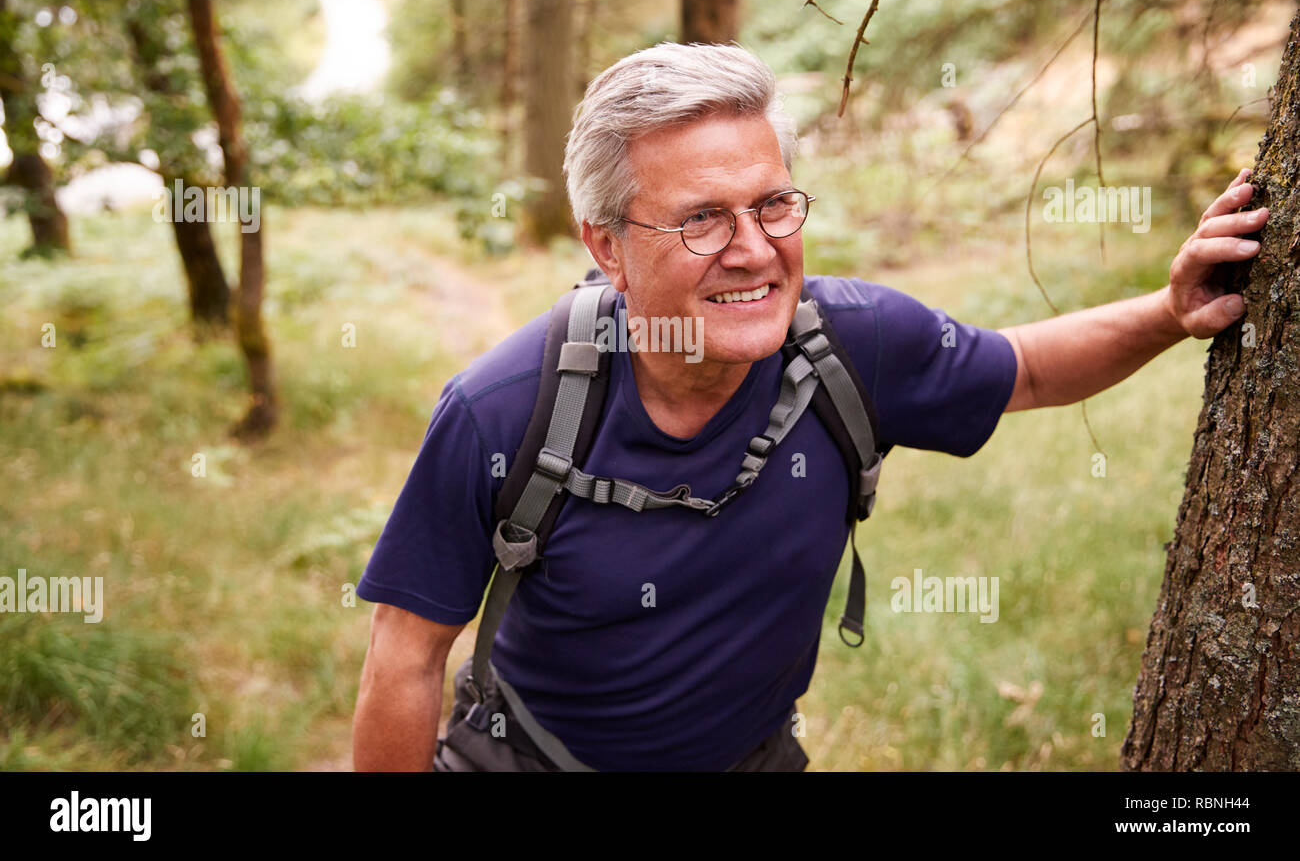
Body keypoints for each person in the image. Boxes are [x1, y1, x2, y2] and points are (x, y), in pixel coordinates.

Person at [351, 42, 1267, 772]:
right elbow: (406, 657)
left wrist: (1168, 311)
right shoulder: (503, 412)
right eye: (702, 219)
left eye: (774, 204)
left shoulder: (854, 345)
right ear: (609, 247)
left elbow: (1023, 369)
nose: (753, 249)